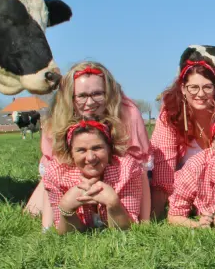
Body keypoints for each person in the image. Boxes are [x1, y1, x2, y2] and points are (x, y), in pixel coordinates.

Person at [25, 61, 151, 228]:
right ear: (70, 96)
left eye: (98, 94)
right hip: (71, 169)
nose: (90, 103)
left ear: (109, 93)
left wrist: (145, 220)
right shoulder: (57, 116)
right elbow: (53, 166)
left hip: (121, 173)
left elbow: (139, 167)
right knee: (32, 213)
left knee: (122, 217)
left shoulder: (128, 112)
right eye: (82, 96)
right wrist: (48, 226)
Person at [151, 53, 215, 218]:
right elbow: (164, 168)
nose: (200, 94)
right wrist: (155, 216)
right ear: (183, 89)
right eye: (193, 87)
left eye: (207, 87)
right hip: (186, 184)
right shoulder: (171, 113)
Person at [44, 117, 144, 235]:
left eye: (97, 148)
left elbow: (128, 229)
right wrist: (66, 209)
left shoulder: (127, 169)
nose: (90, 157)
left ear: (109, 149)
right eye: (81, 150)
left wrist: (113, 203)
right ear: (71, 153)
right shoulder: (56, 173)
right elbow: (65, 236)